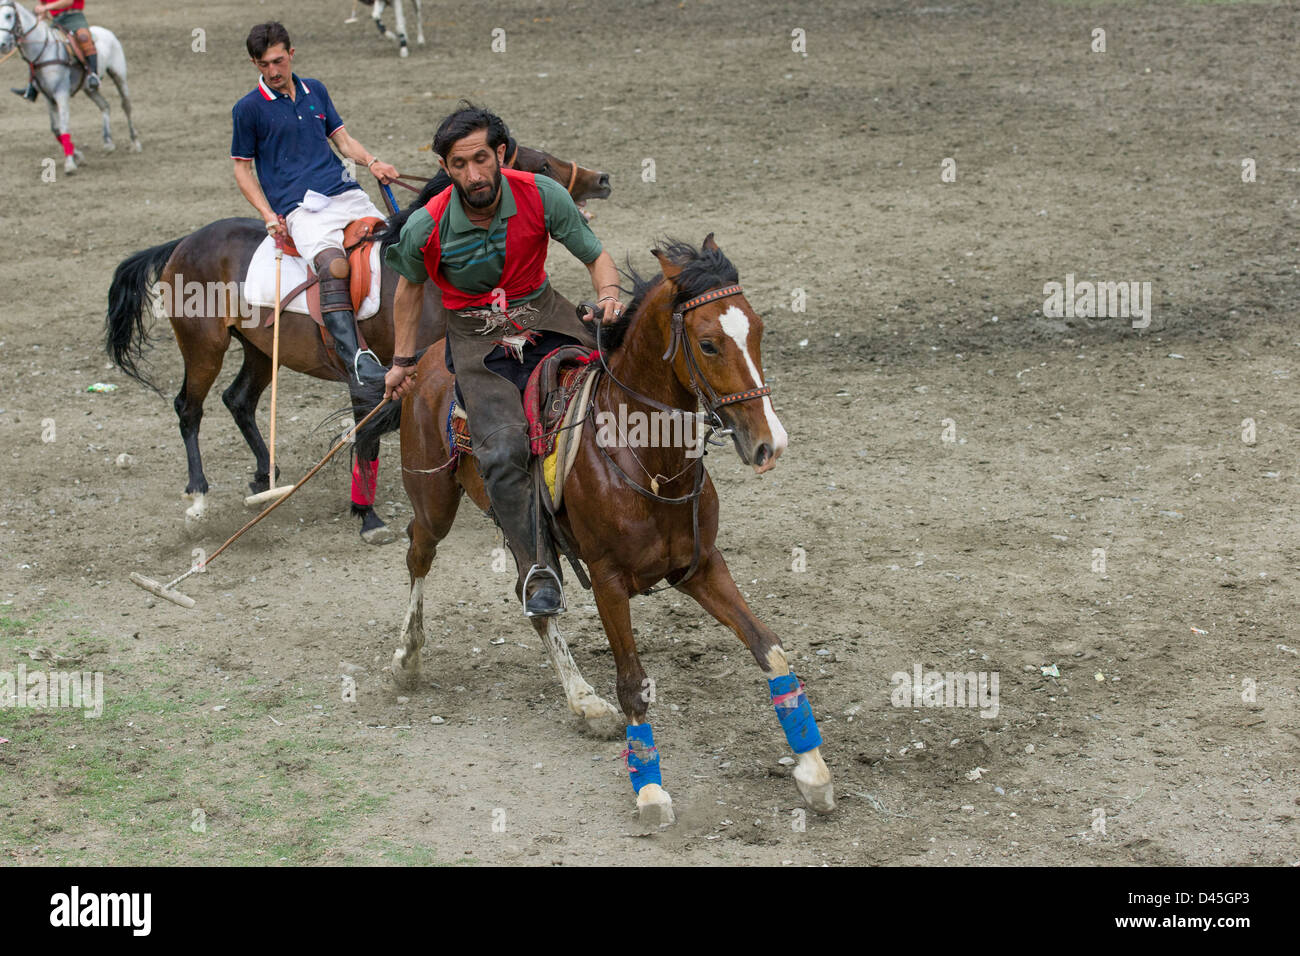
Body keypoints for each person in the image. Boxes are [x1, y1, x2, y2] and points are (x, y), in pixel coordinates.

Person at [383, 104, 623, 617]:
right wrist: (402, 361)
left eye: (481, 159)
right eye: (459, 164)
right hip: (476, 342)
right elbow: (408, 289)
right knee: (503, 447)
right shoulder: (426, 226)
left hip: (548, 316)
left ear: (501, 153)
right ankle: (539, 566)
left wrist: (607, 294)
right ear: (446, 168)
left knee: (617, 391)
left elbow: (595, 255)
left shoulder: (543, 195)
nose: (473, 174)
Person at [230, 21, 398, 388]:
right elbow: (242, 170)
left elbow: (342, 139)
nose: (273, 71)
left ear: (291, 54)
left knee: (398, 248)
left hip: (346, 194)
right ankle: (357, 358)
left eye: (278, 61)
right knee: (334, 266)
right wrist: (267, 214)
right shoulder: (248, 109)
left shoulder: (316, 90)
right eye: (263, 65)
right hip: (301, 209)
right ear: (254, 64)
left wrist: (372, 162)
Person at [11, 0, 99, 101]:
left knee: (84, 37)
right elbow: (43, 7)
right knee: (40, 48)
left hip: (75, 17)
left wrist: (46, 8)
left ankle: (93, 75)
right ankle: (32, 85)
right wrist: (39, 19)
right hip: (57, 20)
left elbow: (68, 2)